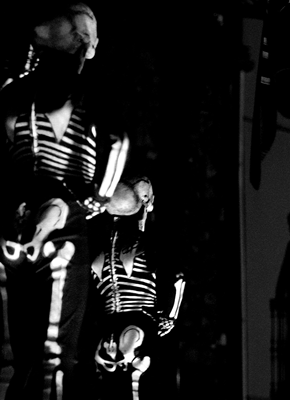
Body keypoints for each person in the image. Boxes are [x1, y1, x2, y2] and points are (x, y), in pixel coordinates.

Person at [0, 3, 128, 398]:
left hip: (16, 216)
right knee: (55, 354)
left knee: (17, 354)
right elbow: (118, 142)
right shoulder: (91, 92)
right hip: (63, 220)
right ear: (83, 46)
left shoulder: (15, 92)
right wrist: (97, 198)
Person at [90, 177, 184, 400]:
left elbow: (177, 280)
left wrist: (169, 317)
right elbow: (177, 279)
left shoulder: (143, 243)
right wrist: (168, 318)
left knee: (116, 366)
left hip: (126, 319)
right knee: (119, 366)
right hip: (123, 320)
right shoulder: (111, 241)